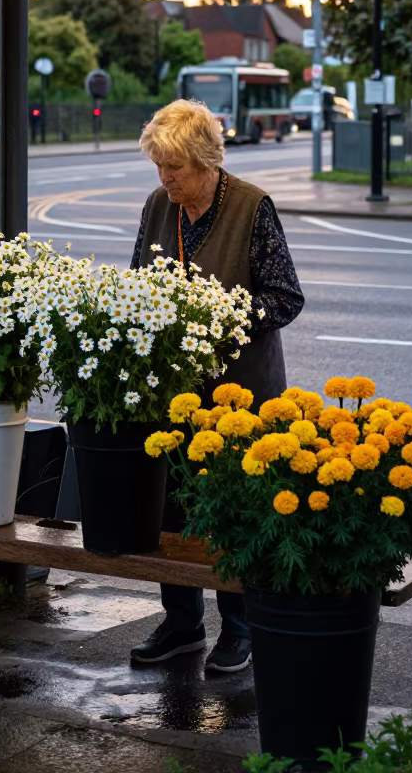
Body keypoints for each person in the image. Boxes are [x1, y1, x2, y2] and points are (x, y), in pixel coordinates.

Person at [128, 99, 304, 673]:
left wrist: (221, 316)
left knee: (232, 512)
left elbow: (285, 297)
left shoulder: (252, 208)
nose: (165, 178)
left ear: (205, 161)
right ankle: (181, 624)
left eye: (174, 167)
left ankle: (240, 627)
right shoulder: (159, 206)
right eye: (159, 165)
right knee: (171, 509)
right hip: (174, 392)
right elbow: (136, 286)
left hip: (242, 396)